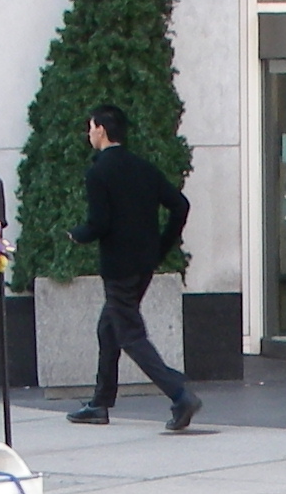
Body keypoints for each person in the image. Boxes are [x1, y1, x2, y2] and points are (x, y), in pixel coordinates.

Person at [65, 103, 202, 433]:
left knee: (129, 334)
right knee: (108, 328)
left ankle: (179, 394)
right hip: (143, 264)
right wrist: (161, 246)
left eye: (90, 127)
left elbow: (100, 223)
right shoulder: (143, 168)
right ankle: (100, 403)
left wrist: (77, 234)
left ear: (101, 130)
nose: (88, 133)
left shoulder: (98, 172)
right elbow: (180, 205)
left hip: (119, 267)